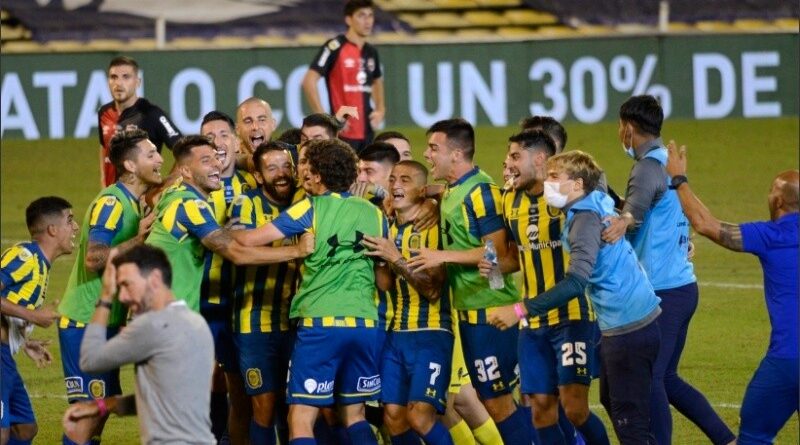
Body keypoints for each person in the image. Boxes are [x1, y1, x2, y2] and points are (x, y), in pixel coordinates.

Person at [488, 150, 662, 444]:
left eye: (555, 177)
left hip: (627, 326)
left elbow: (576, 282)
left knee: (628, 420)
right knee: (614, 403)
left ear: (578, 184)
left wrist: (519, 310)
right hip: (630, 321)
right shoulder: (595, 198)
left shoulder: (584, 221)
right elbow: (598, 176)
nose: (548, 183)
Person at [233, 139, 391, 445]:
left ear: (318, 176)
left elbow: (248, 241)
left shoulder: (310, 208)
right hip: (365, 324)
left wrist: (228, 229)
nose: (303, 171)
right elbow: (383, 282)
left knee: (301, 418)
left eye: (309, 167)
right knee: (354, 415)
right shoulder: (374, 214)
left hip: (321, 325)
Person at [602, 95, 734, 445]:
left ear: (628, 129)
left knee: (652, 379)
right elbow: (649, 212)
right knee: (668, 378)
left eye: (620, 127)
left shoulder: (646, 168)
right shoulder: (667, 164)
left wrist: (607, 217)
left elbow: (632, 219)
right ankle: (727, 439)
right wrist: (613, 198)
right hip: (682, 287)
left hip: (662, 292)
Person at [665, 143, 798, 444]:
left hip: (788, 361)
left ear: (778, 201)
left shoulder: (771, 235)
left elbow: (705, 224)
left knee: (753, 435)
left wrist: (679, 179)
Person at [410, 118, 530, 445]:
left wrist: (442, 256)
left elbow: (503, 255)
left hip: (493, 311)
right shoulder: (454, 190)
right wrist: (430, 194)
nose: (427, 154)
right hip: (471, 313)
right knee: (493, 398)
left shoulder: (481, 193)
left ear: (456, 154)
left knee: (498, 402)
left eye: (433, 148)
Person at [494, 131, 608, 445]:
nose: (508, 164)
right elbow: (513, 254)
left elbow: (605, 195)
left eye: (515, 156)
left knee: (575, 410)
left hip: (571, 315)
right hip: (532, 324)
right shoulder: (509, 199)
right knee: (541, 410)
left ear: (540, 159)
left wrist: (625, 218)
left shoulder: (565, 196)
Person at [57, 129, 162, 442]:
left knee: (100, 412)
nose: (160, 159)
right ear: (130, 166)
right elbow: (94, 259)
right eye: (151, 154)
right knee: (87, 415)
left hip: (106, 321)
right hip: (84, 321)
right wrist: (140, 239)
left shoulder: (132, 202)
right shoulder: (111, 203)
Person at [61, 245, 215, 445]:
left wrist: (106, 296)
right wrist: (101, 406)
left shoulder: (152, 325)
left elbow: (90, 360)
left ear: (155, 279)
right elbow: (161, 401)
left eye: (127, 285)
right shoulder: (197, 323)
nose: (122, 296)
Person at [144, 135, 312, 313]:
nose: (217, 164)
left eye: (216, 157)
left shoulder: (175, 192)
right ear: (186, 171)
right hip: (163, 315)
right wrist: (297, 250)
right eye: (206, 160)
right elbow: (237, 254)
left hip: (159, 310)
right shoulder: (190, 205)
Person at [362, 160, 454, 445]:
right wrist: (381, 260)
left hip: (431, 333)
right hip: (397, 334)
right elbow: (385, 285)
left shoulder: (433, 227)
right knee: (393, 417)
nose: (395, 185)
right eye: (392, 179)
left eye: (405, 180)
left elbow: (433, 290)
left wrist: (396, 258)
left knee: (420, 417)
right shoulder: (388, 227)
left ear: (422, 190)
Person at [227, 142, 303, 445]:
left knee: (295, 404)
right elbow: (239, 251)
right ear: (258, 176)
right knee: (264, 405)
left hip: (295, 322)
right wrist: (294, 252)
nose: (281, 174)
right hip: (253, 321)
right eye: (272, 168)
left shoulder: (303, 202)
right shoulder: (245, 204)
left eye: (286, 166)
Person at [199, 111, 259, 445]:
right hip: (205, 301)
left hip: (247, 303)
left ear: (236, 143)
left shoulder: (253, 183)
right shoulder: (191, 191)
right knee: (202, 378)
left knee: (240, 384)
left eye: (223, 134)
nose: (217, 142)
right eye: (208, 137)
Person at [1, 196, 77, 445]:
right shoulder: (24, 256)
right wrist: (33, 315)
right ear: (52, 229)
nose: (75, 227)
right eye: (70, 220)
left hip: (6, 355)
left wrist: (23, 341)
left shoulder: (41, 266)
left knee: (25, 428)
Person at [302, 0, 385, 152]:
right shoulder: (334, 47)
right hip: (342, 131)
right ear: (348, 19)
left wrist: (380, 109)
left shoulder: (371, 52)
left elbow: (376, 80)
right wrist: (326, 120)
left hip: (367, 130)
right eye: (361, 15)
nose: (367, 21)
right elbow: (309, 81)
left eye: (370, 15)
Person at [98, 56, 181, 187]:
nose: (118, 83)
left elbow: (186, 152)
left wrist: (165, 186)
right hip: (112, 193)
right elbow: (105, 147)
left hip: (142, 197)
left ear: (137, 82)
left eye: (126, 77)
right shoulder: (104, 112)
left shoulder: (152, 114)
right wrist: (104, 181)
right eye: (114, 77)